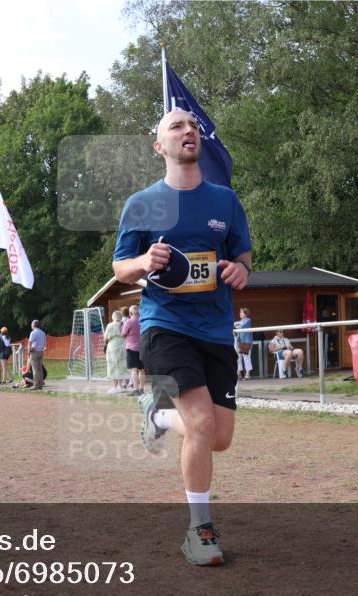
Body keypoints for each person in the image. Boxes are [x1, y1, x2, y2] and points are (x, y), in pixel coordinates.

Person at [112, 108, 252, 567]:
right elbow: (119, 267)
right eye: (176, 126)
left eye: (192, 125)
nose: (188, 130)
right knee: (202, 424)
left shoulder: (225, 201)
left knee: (220, 437)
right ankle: (200, 532)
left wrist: (241, 269)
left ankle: (156, 418)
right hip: (164, 325)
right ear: (160, 146)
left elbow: (243, 252)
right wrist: (143, 261)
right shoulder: (143, 203)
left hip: (215, 328)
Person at [121, 304, 144, 395]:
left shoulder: (129, 322)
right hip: (142, 348)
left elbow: (123, 334)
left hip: (131, 348)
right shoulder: (143, 321)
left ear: (130, 313)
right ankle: (142, 388)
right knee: (142, 369)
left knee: (134, 370)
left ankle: (136, 389)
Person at [104, 310, 129, 393]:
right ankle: (120, 386)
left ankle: (114, 387)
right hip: (123, 346)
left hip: (113, 347)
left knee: (113, 366)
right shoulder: (124, 324)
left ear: (113, 317)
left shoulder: (110, 325)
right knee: (121, 366)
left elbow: (105, 338)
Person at [235, 308, 253, 380]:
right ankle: (239, 373)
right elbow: (235, 326)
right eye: (240, 312)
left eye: (242, 312)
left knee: (246, 358)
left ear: (246, 314)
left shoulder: (248, 320)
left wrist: (236, 325)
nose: (240, 314)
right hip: (238, 342)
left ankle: (247, 374)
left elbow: (241, 326)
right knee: (238, 358)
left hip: (246, 341)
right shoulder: (239, 322)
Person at [28, 320, 47, 390]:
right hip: (41, 351)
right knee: (40, 369)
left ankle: (36, 385)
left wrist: (29, 350)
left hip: (35, 352)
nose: (31, 325)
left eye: (31, 324)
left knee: (35, 369)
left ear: (34, 325)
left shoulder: (33, 333)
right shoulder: (43, 333)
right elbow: (45, 343)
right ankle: (40, 385)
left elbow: (30, 342)